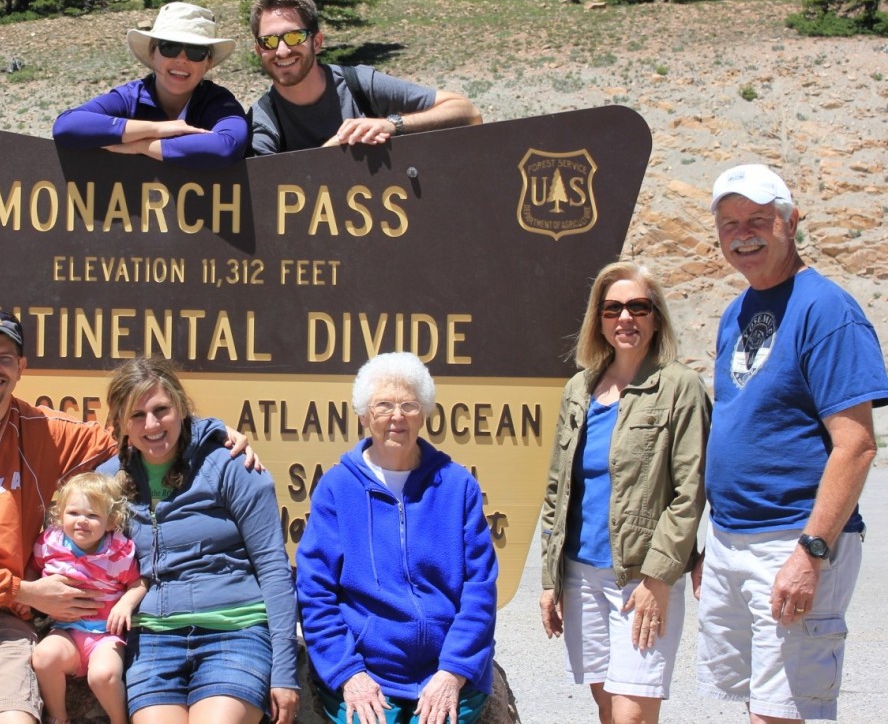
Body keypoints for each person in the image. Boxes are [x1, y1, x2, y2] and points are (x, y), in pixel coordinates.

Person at [0, 310, 256, 724]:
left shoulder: (44, 430)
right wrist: (25, 591)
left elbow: (138, 434)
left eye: (5, 357)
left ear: (21, 368)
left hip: (0, 618)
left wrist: (210, 432)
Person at [696, 164, 887, 723]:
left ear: (791, 221)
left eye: (757, 218)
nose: (743, 233)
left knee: (787, 711)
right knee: (763, 703)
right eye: (729, 222)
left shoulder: (826, 309)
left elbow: (856, 446)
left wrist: (811, 552)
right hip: (735, 539)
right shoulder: (737, 311)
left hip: (793, 539)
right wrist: (715, 542)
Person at [538, 262, 710, 724]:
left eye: (638, 307)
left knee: (633, 714)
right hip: (580, 574)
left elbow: (689, 493)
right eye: (612, 309)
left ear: (656, 317)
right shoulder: (581, 388)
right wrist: (550, 579)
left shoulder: (681, 389)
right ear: (599, 319)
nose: (625, 319)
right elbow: (559, 488)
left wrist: (658, 579)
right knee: (609, 709)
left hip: (639, 575)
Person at [296, 352, 497, 724]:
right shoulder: (337, 488)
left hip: (446, 669)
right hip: (367, 671)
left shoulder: (457, 486)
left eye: (408, 405)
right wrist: (349, 674)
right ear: (363, 415)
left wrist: (453, 672)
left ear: (424, 413)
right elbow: (315, 591)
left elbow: (479, 589)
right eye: (383, 405)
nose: (396, 417)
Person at [97, 356, 299, 724]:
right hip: (155, 639)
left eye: (161, 410)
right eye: (137, 415)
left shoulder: (231, 465)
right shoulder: (110, 480)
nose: (152, 425)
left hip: (234, 631)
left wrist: (285, 670)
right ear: (120, 422)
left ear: (181, 408)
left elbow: (273, 567)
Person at [247, 0, 480, 155]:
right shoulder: (263, 118)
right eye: (269, 41)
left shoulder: (359, 84)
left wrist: (391, 124)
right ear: (259, 50)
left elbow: (468, 112)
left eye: (294, 36)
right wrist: (331, 151)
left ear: (317, 42)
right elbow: (267, 195)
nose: (282, 50)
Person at [53, 2, 248, 169]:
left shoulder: (218, 102)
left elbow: (227, 147)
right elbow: (67, 126)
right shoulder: (130, 97)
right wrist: (156, 129)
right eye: (169, 47)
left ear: (208, 62)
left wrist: (141, 146)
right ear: (153, 53)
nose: (181, 59)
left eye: (195, 51)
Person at [31, 472, 147, 724]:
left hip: (105, 636)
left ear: (110, 521)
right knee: (43, 656)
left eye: (93, 515)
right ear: (60, 515)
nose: (82, 521)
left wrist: (126, 603)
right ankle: (58, 716)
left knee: (103, 675)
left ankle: (120, 720)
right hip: (66, 631)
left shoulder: (118, 552)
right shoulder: (50, 544)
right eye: (73, 513)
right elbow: (33, 569)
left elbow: (137, 583)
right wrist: (30, 591)